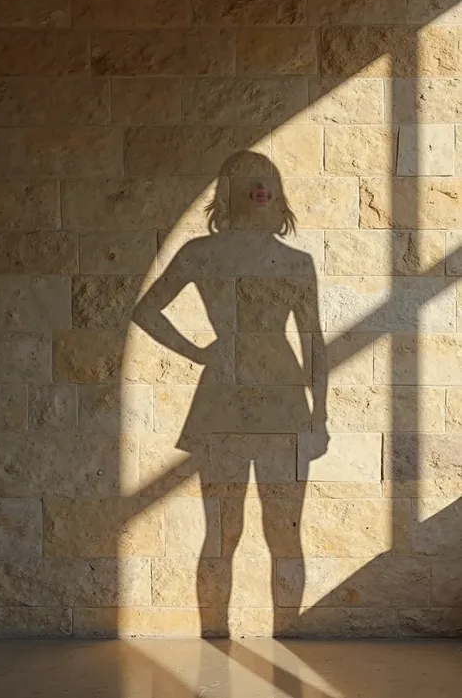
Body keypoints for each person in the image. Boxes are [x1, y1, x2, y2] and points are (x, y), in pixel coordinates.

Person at [134, 151, 329, 636]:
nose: (260, 187)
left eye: (267, 179)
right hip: (224, 397)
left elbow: (314, 340)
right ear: (229, 189)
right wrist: (197, 352)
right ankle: (213, 636)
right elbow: (148, 309)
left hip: (283, 401)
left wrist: (320, 413)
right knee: (224, 531)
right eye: (249, 180)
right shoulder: (201, 253)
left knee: (283, 530)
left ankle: (288, 634)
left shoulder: (295, 262)